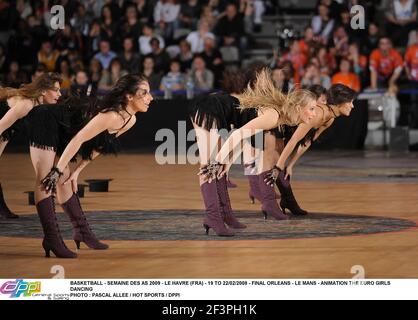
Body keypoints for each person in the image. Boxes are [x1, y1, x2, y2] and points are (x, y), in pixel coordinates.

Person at [26, 74, 153, 258]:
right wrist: (56, 171)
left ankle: (81, 232)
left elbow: (101, 145)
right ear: (129, 96)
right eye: (145, 92)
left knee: (65, 180)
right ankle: (51, 238)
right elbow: (79, 138)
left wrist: (77, 171)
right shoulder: (110, 116)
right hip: (46, 120)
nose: (151, 97)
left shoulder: (130, 120)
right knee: (47, 178)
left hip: (64, 130)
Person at [191, 69, 317, 236]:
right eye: (312, 108)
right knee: (208, 167)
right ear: (299, 107)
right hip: (210, 108)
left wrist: (225, 163)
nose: (314, 114)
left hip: (224, 115)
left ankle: (226, 215)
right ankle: (212, 217)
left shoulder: (281, 117)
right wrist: (218, 161)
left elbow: (241, 134)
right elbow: (238, 134)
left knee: (220, 171)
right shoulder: (274, 116)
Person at [270, 84, 357, 216]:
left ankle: (287, 201)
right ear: (340, 102)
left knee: (281, 168)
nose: (352, 106)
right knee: (274, 165)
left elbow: (306, 142)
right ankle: (282, 202)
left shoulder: (330, 119)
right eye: (350, 102)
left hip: (287, 131)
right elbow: (294, 140)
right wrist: (279, 165)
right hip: (277, 124)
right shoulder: (317, 114)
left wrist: (291, 164)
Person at [0, 73, 62, 219]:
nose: (60, 94)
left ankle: (1, 209)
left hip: (8, 127)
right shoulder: (27, 104)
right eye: (56, 90)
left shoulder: (39, 105)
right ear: (43, 91)